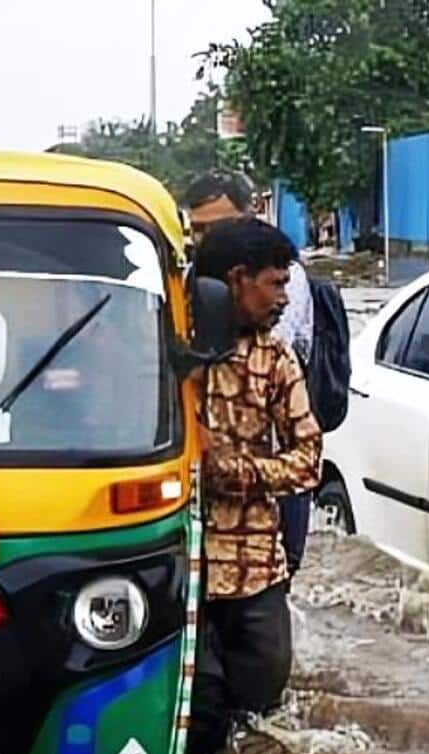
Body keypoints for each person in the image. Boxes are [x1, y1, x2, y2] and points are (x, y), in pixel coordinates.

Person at [187, 217, 323, 754]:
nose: (285, 299)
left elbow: (308, 461)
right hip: (182, 570)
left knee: (265, 720)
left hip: (254, 571)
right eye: (276, 283)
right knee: (199, 726)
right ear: (238, 280)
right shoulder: (168, 346)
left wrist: (234, 468)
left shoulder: (275, 359)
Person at [184, 170, 334, 576]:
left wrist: (220, 464)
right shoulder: (185, 283)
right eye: (197, 231)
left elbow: (255, 363)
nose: (205, 242)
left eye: (216, 228)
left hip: (268, 482)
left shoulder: (279, 286)